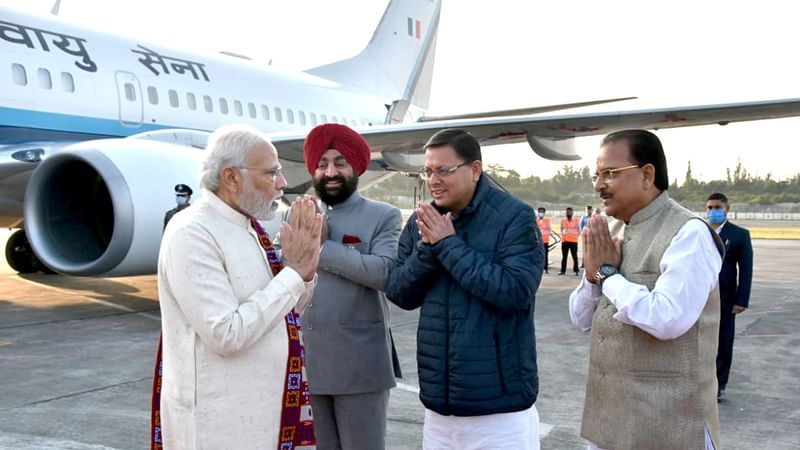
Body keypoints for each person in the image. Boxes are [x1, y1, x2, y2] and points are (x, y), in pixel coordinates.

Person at [153, 124, 323, 449]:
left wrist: (304, 274)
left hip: (263, 415)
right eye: (272, 172)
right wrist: (292, 275)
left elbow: (281, 315)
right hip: (219, 425)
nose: (283, 184)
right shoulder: (193, 231)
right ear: (232, 178)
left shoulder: (245, 227)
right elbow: (226, 334)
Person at [385, 129, 543, 450]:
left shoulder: (514, 217)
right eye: (428, 171)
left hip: (499, 412)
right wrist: (429, 250)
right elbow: (400, 292)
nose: (433, 180)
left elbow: (515, 291)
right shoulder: (424, 221)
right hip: (439, 410)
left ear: (474, 170)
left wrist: (448, 245)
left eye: (444, 170)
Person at [569, 129, 724, 450]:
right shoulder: (609, 229)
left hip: (670, 426)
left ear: (647, 174)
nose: (599, 185)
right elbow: (582, 321)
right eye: (596, 176)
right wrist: (592, 276)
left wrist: (609, 275)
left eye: (610, 173)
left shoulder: (688, 233)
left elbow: (668, 318)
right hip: (608, 424)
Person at [300, 124, 402, 450]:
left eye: (340, 162)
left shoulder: (383, 216)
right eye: (322, 164)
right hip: (308, 365)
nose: (330, 172)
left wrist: (323, 248)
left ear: (356, 167)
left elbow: (385, 273)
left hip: (359, 365)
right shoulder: (298, 214)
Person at [706, 192, 753, 402]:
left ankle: (719, 384)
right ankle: (702, 382)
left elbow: (746, 269)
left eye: (717, 207)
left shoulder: (739, 235)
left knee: (723, 341)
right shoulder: (700, 231)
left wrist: (741, 299)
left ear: (727, 208)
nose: (713, 211)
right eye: (709, 208)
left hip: (725, 297)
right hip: (701, 295)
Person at [559, 206, 580, 275]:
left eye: (570, 212)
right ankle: (562, 271)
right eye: (568, 212)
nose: (569, 213)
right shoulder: (563, 221)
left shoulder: (576, 220)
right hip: (565, 241)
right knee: (564, 257)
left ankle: (576, 271)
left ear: (572, 213)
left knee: (574, 256)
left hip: (573, 241)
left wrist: (570, 233)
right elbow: (561, 230)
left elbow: (579, 231)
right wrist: (564, 233)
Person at [536, 207, 552, 273]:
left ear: (544, 213)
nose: (541, 213)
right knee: (537, 254)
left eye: (542, 212)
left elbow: (549, 230)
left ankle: (545, 268)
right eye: (540, 212)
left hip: (545, 240)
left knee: (545, 255)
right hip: (537, 241)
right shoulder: (535, 220)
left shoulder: (547, 220)